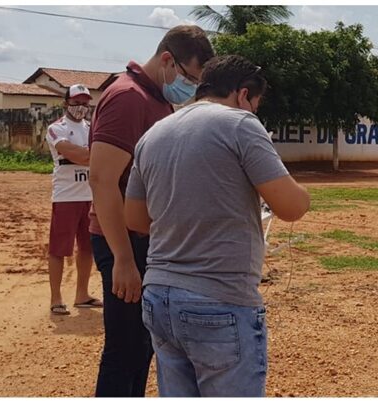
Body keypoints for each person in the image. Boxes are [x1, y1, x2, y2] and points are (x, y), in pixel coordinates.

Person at [124, 55, 310, 397]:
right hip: (219, 299)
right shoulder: (240, 124)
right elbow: (291, 206)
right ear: (243, 96)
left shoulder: (154, 133)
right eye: (254, 104)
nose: (253, 112)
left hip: (160, 296)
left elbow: (135, 218)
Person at [87, 25, 214, 397]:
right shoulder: (128, 97)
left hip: (144, 240)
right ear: (166, 60)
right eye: (190, 77)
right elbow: (101, 179)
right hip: (122, 242)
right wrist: (123, 259)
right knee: (124, 349)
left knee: (142, 347)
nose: (190, 87)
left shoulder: (157, 99)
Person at [45, 84, 101, 315]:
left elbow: (86, 156)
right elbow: (79, 155)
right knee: (59, 249)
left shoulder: (91, 128)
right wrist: (96, 154)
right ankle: (56, 298)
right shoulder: (56, 129)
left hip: (91, 195)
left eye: (85, 102)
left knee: (88, 248)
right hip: (66, 196)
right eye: (76, 102)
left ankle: (82, 294)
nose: (81, 107)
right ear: (66, 103)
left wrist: (89, 155)